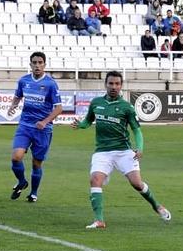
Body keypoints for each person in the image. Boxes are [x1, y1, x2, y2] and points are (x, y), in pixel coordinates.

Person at [71, 71, 171, 229]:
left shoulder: (127, 107)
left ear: (121, 86)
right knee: (95, 179)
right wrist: (80, 125)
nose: (114, 87)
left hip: (123, 151)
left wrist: (140, 148)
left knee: (137, 184)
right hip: (102, 151)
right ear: (105, 84)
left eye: (117, 84)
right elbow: (88, 121)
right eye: (111, 83)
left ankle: (156, 205)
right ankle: (99, 220)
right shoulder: (96, 103)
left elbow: (136, 130)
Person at [7, 52, 63, 202]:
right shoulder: (24, 81)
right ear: (30, 64)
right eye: (34, 62)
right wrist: (13, 106)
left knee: (36, 162)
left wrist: (45, 122)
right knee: (16, 157)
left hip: (43, 130)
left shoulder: (51, 84)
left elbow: (58, 108)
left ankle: (33, 193)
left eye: (40, 62)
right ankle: (21, 181)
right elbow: (18, 96)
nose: (37, 65)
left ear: (45, 64)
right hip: (25, 125)